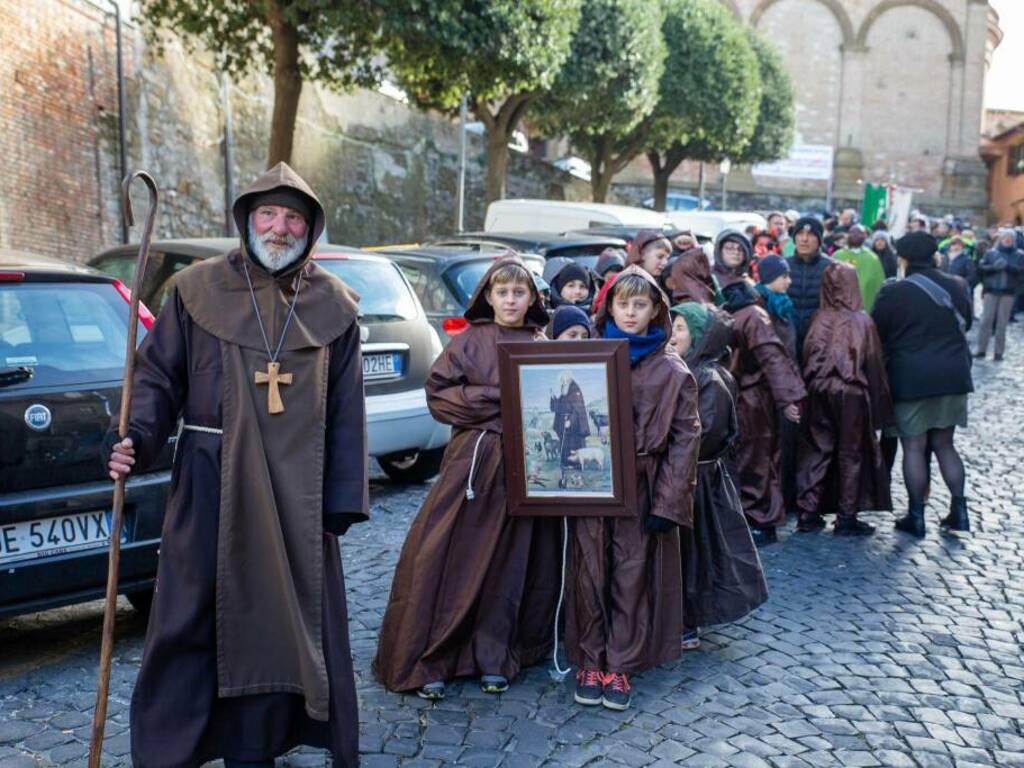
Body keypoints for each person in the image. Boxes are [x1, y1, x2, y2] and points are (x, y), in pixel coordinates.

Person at [104, 162, 368, 767]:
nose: (279, 228)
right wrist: (134, 437)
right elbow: (155, 379)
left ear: (310, 228)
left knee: (286, 626)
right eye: (268, 215)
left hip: (296, 503)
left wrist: (340, 499)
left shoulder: (335, 307)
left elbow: (350, 406)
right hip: (209, 486)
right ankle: (174, 751)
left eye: (293, 217)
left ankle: (259, 746)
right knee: (191, 622)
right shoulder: (196, 291)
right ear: (247, 220)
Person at [374, 256, 559, 699]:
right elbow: (441, 396)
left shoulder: (540, 343)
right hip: (473, 465)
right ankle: (433, 656)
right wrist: (502, 398)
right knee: (448, 556)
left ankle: (493, 654)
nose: (511, 300)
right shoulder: (469, 341)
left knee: (509, 562)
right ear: (489, 297)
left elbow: (550, 406)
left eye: (519, 293)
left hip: (523, 467)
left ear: (532, 297)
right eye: (503, 292)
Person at [567, 267, 700, 711]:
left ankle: (619, 665)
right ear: (609, 306)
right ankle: (589, 657)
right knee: (589, 571)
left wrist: (667, 500)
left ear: (655, 310)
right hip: (594, 482)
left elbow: (685, 439)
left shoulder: (672, 369)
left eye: (640, 304)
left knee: (631, 574)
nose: (630, 312)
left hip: (642, 484)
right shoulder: (588, 357)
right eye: (623, 303)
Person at [671, 301, 768, 650]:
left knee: (696, 554)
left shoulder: (709, 377)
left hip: (699, 483)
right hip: (685, 478)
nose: (672, 334)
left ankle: (688, 622)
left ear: (699, 336)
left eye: (680, 328)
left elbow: (707, 434)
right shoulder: (685, 368)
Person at [872, 232, 973, 537]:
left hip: (911, 377)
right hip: (953, 375)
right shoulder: (958, 285)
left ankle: (916, 516)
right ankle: (959, 511)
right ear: (934, 256)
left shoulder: (894, 292)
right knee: (945, 444)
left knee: (913, 446)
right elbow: (966, 322)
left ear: (902, 258)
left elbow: (877, 332)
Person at [713, 230, 806, 544]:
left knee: (757, 460)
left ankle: (762, 521)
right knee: (752, 459)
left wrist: (788, 398)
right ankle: (757, 519)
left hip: (751, 397)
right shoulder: (750, 314)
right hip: (744, 396)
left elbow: (773, 357)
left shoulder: (750, 316)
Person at [795, 262, 894, 536]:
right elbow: (873, 365)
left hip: (818, 389)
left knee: (817, 448)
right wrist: (879, 407)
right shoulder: (861, 321)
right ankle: (847, 515)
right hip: (850, 393)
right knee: (851, 453)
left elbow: (807, 354)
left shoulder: (819, 318)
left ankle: (808, 511)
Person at [786, 216, 833, 357]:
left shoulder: (831, 267)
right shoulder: (784, 266)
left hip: (820, 343)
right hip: (788, 342)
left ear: (819, 240)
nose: (804, 239)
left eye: (811, 234)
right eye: (800, 234)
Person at [975, 228, 1024, 360]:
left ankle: (998, 352)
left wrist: (1008, 267)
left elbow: (1021, 272)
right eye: (1005, 237)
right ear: (1001, 239)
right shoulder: (991, 253)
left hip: (1008, 292)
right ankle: (981, 349)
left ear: (1013, 240)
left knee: (1002, 323)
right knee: (986, 320)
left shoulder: (1020, 255)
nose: (1007, 240)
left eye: (1010, 238)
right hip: (991, 290)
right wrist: (993, 268)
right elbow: (981, 268)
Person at [832, 224, 886, 312]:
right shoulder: (837, 255)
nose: (856, 235)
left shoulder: (872, 258)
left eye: (860, 233)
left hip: (863, 309)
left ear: (865, 236)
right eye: (853, 233)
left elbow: (879, 285)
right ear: (848, 235)